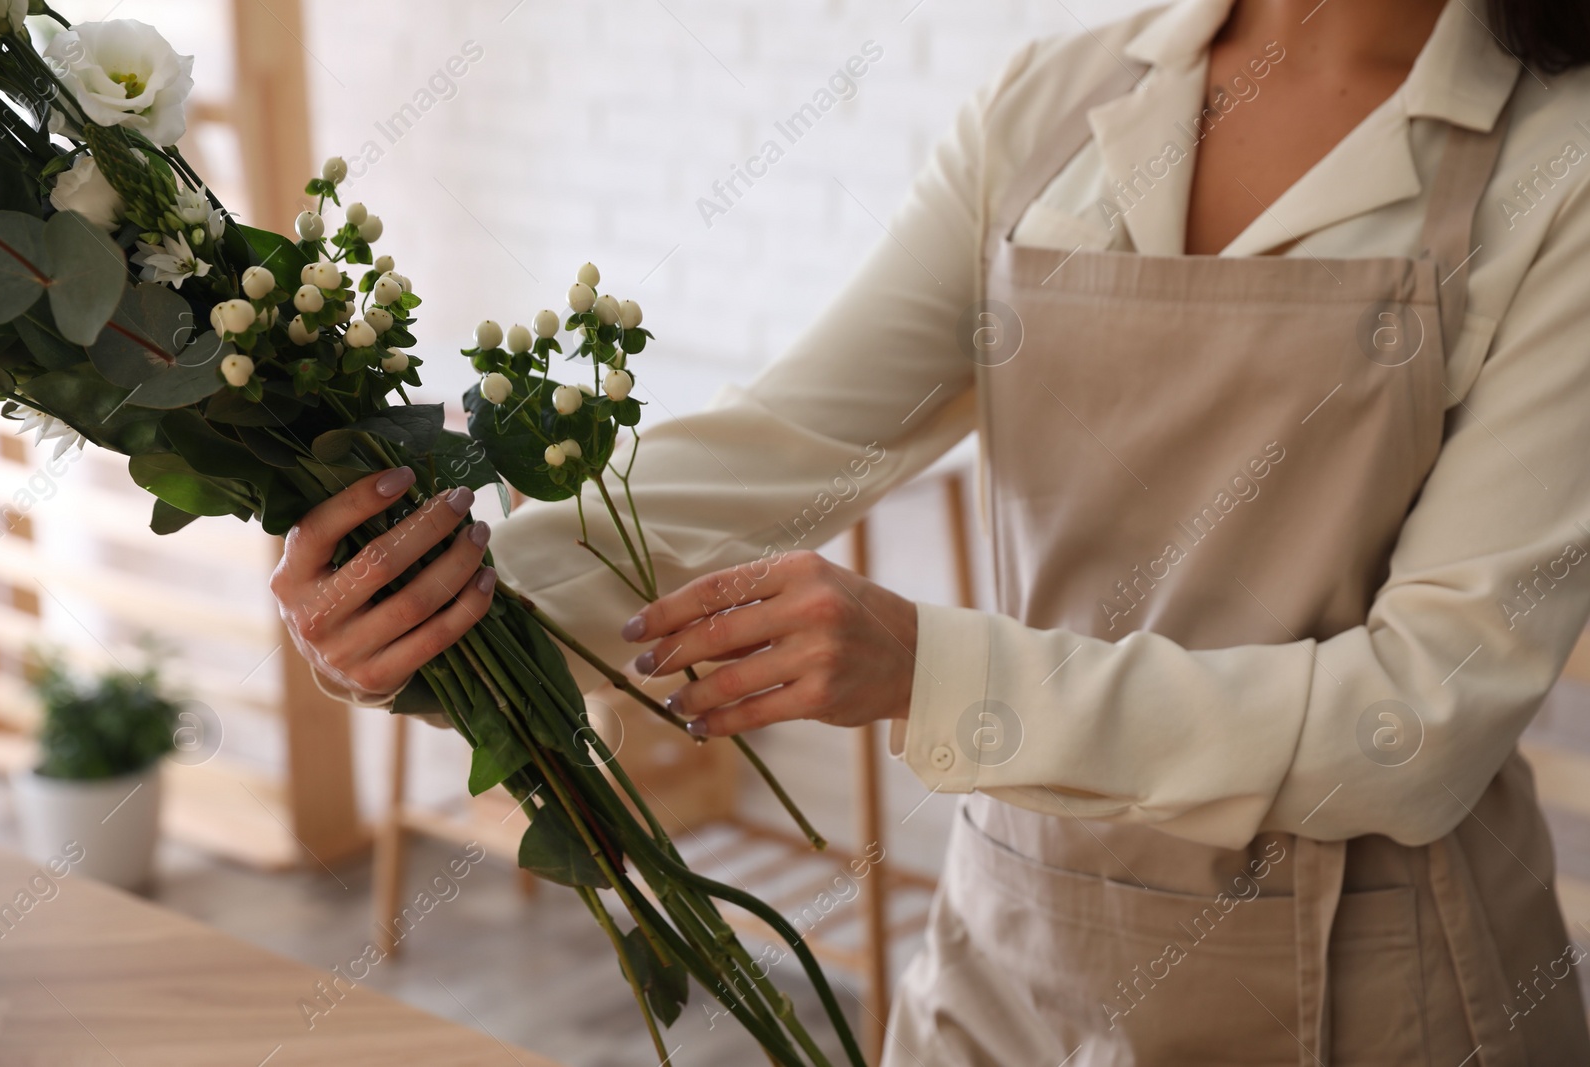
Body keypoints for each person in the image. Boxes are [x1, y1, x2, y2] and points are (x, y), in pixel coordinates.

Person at [269, 0, 1590, 1061]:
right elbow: (793, 446)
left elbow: (1417, 723)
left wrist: (933, 673)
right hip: (1020, 942)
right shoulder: (1054, 106)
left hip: (1376, 986)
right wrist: (449, 599)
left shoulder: (1560, 168)